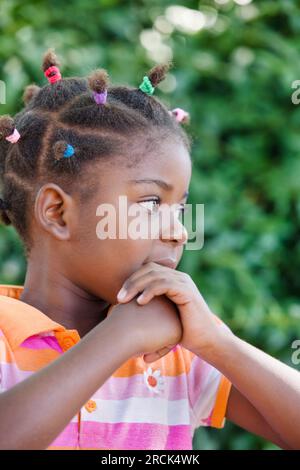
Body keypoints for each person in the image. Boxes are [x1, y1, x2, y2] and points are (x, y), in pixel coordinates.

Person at [0, 48, 299, 450]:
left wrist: (215, 343)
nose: (179, 232)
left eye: (180, 207)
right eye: (152, 204)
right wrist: (118, 338)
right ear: (57, 212)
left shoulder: (180, 348)